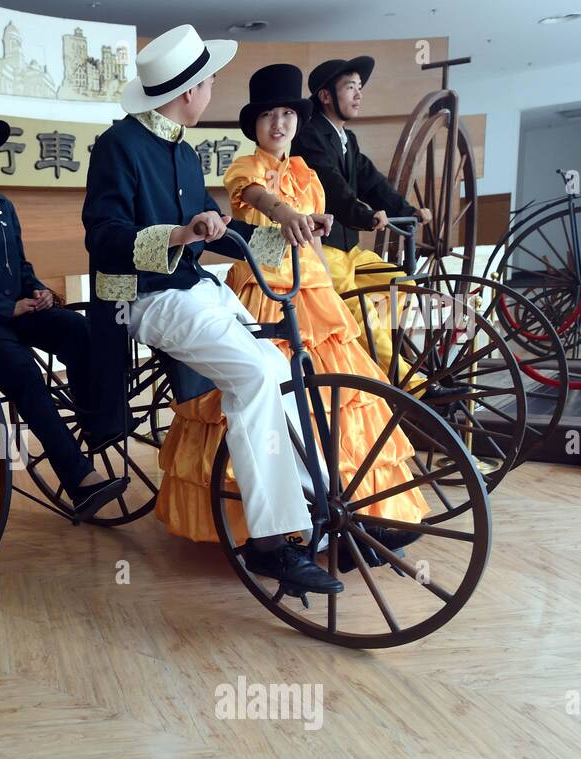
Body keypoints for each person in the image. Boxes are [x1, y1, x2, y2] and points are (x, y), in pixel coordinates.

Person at [82, 26, 342, 596]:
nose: (214, 89)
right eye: (210, 81)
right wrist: (179, 233)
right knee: (252, 374)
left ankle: (320, 509)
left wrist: (289, 233)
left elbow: (219, 232)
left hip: (196, 287)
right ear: (189, 89)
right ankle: (269, 544)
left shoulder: (179, 146)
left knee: (278, 369)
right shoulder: (118, 146)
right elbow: (102, 240)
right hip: (143, 298)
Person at [155, 64, 427, 566]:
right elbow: (255, 198)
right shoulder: (245, 168)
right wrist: (284, 213)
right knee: (272, 398)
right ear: (254, 124)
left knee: (341, 400)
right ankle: (285, 528)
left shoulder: (308, 173)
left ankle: (346, 514)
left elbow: (314, 227)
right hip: (263, 292)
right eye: (268, 116)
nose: (278, 125)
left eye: (287, 114)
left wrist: (317, 226)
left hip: (314, 291)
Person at [0, 86, 127, 519]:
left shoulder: (2, 206)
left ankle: (96, 422)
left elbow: (20, 263)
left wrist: (35, 290)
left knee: (79, 330)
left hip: (16, 309)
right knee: (26, 375)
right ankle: (80, 482)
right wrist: (6, 307)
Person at [290, 56, 432, 374]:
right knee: (360, 308)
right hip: (322, 251)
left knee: (401, 283)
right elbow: (332, 186)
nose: (358, 94)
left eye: (360, 88)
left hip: (350, 250)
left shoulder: (346, 139)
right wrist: (365, 216)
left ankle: (391, 364)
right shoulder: (310, 136)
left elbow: (371, 181)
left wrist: (407, 211)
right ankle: (408, 382)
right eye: (350, 87)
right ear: (326, 96)